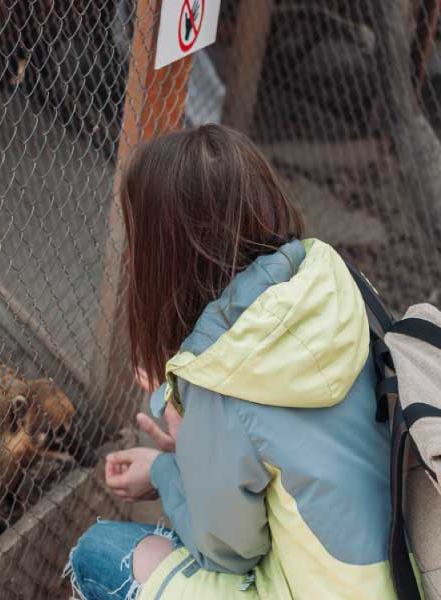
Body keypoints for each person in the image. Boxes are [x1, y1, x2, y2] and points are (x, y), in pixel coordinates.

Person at [64, 125, 396, 599]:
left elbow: (229, 551)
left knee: (99, 553)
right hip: (404, 574)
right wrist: (192, 444)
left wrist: (166, 470)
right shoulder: (336, 285)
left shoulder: (223, 375)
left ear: (166, 255)